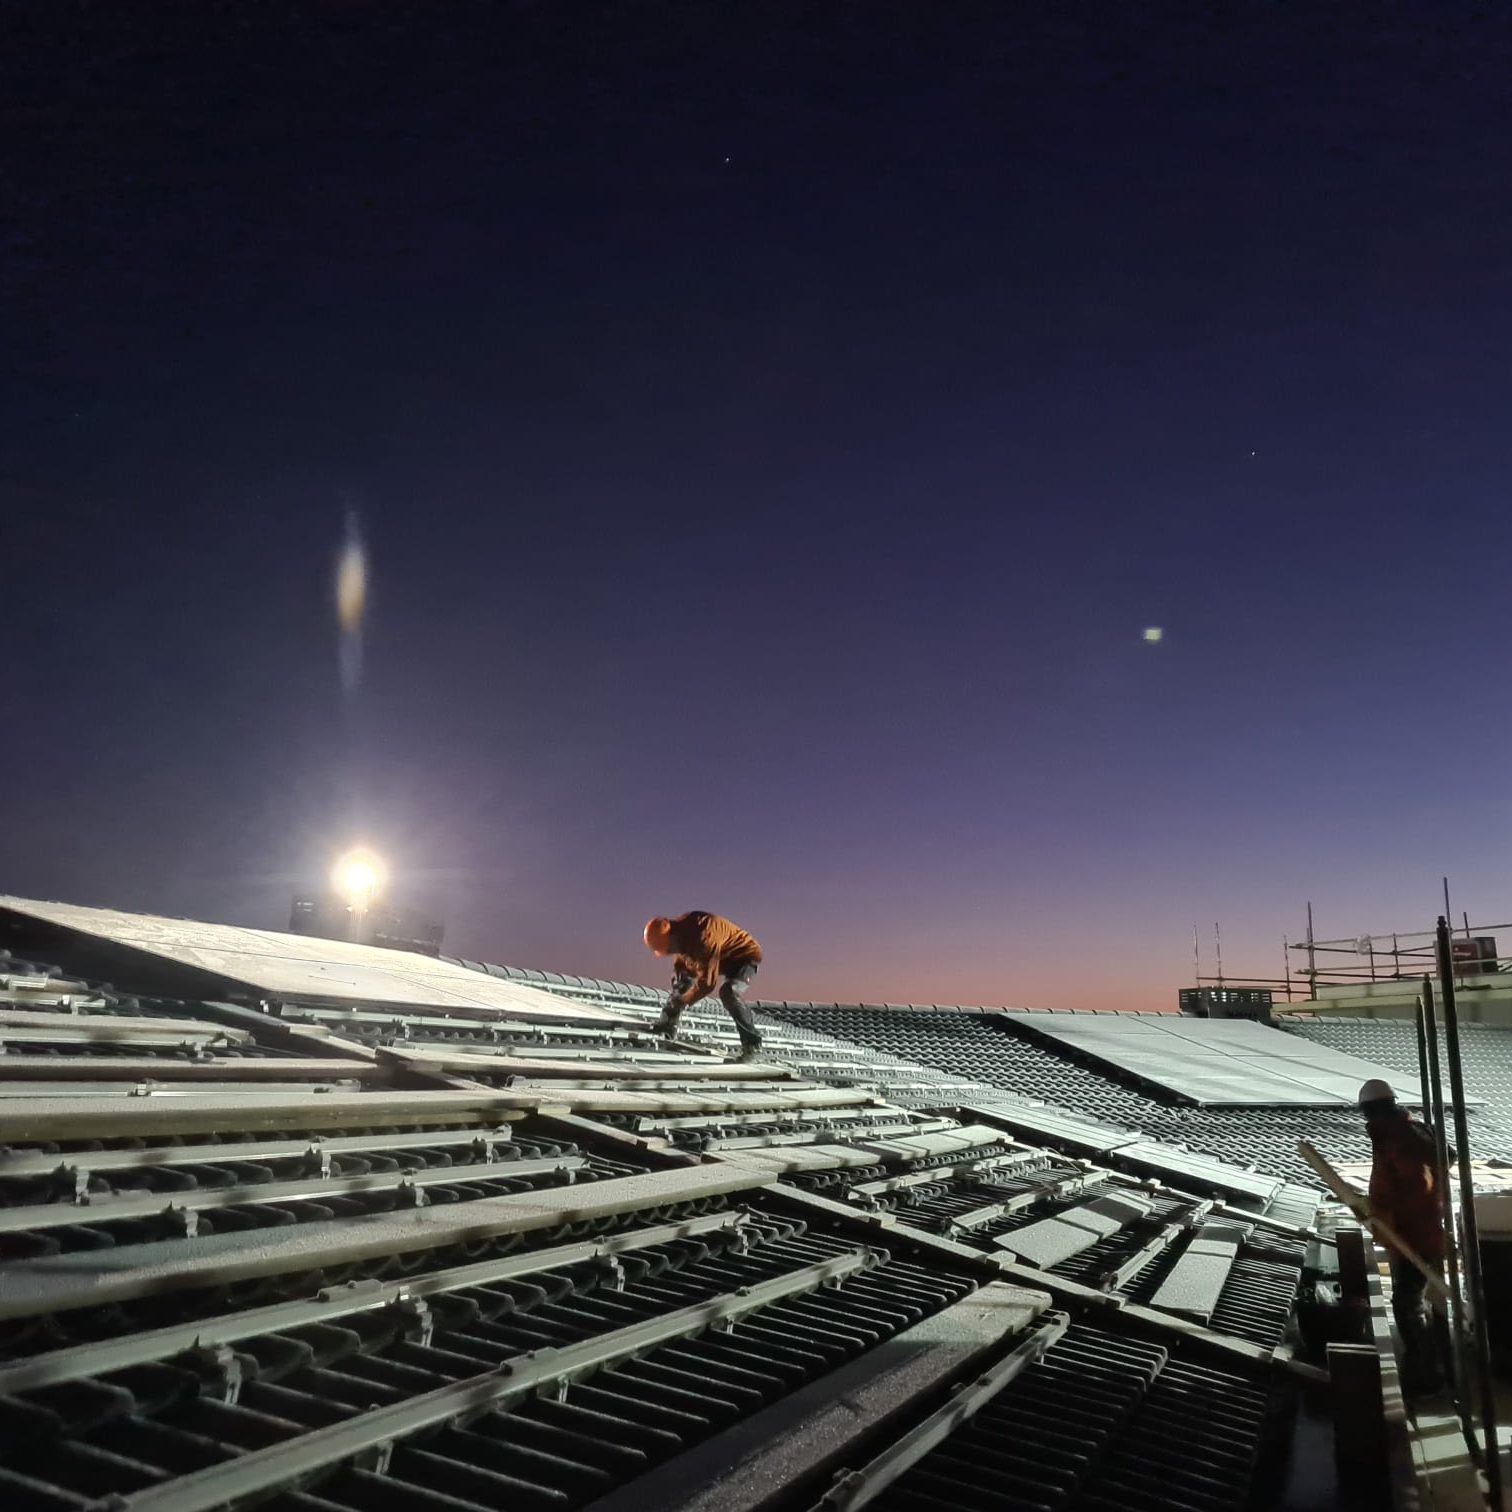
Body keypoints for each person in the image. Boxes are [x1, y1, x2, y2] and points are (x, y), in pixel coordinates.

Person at [1356, 1077, 1452, 1395]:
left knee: (1408, 1304)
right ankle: (1444, 1365)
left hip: (1412, 1235)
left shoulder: (1394, 1136)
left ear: (1370, 1111)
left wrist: (1382, 1216)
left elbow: (1408, 1188)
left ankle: (1425, 1374)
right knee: (1433, 1299)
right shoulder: (1417, 1129)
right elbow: (1444, 1159)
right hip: (1426, 1231)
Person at [643, 911, 764, 1061]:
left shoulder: (702, 938)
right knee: (683, 978)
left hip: (744, 956)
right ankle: (667, 1024)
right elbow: (682, 963)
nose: (668, 953)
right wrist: (678, 991)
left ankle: (752, 1045)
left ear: (672, 938)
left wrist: (684, 1000)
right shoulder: (680, 934)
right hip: (720, 953)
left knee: (729, 993)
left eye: (668, 949)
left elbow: (707, 984)